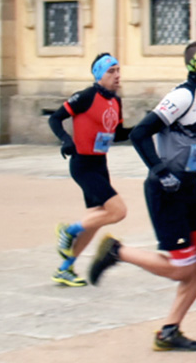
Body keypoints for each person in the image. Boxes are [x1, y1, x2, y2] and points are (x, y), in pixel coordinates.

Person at [88, 40, 196, 353]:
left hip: (190, 187)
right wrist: (160, 171)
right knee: (183, 269)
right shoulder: (183, 96)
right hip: (167, 190)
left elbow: (192, 141)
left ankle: (169, 331)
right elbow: (139, 133)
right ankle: (117, 251)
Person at [47, 53, 130, 287]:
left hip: (100, 164)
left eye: (118, 70)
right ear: (99, 75)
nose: (117, 75)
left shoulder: (116, 101)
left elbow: (119, 134)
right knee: (118, 211)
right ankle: (68, 231)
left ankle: (65, 269)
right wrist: (66, 140)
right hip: (83, 165)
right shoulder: (86, 96)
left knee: (95, 220)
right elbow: (55, 118)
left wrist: (148, 127)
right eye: (111, 71)